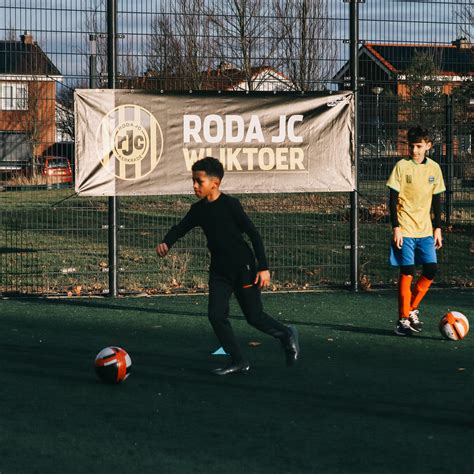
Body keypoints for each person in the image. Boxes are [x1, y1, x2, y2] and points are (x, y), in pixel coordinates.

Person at [156, 157, 300, 375]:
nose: (194, 185)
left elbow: (253, 234)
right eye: (193, 181)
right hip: (219, 270)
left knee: (254, 317)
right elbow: (181, 228)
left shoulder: (231, 205)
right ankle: (239, 360)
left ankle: (285, 334)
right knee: (215, 315)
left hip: (243, 268)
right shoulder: (198, 210)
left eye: (199, 181)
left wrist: (263, 267)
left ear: (215, 183)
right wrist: (167, 241)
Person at [386, 126, 446, 336]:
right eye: (412, 146)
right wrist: (396, 228)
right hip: (405, 229)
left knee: (431, 269)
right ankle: (403, 320)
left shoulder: (435, 169)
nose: (415, 150)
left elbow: (437, 200)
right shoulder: (401, 167)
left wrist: (438, 227)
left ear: (428, 146)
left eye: (419, 146)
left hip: (426, 231)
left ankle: (411, 309)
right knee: (408, 271)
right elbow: (392, 201)